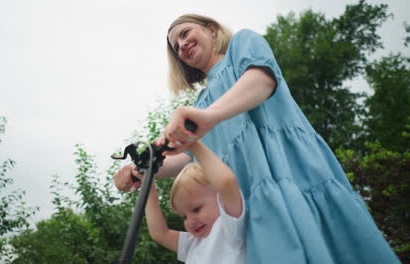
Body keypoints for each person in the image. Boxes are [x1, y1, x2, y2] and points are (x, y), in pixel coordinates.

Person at [113, 14, 400, 263]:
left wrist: (209, 118)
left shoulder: (242, 44)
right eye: (176, 46)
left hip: (294, 168)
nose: (182, 45)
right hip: (252, 197)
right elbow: (184, 158)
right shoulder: (200, 103)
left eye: (185, 33)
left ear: (211, 29)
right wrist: (141, 170)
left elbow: (261, 81)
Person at [137, 139, 245, 263]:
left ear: (221, 197)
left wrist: (192, 143)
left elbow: (227, 183)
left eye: (196, 209)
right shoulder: (193, 242)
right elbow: (159, 234)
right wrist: (148, 184)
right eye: (184, 217)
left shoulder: (228, 228)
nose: (190, 222)